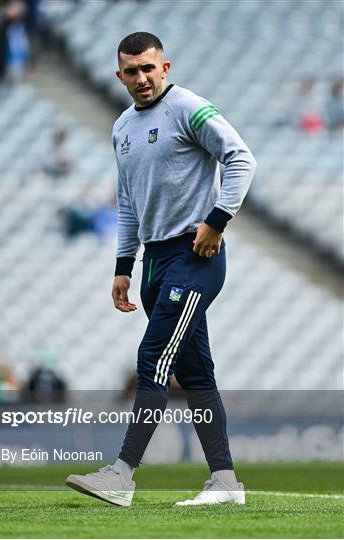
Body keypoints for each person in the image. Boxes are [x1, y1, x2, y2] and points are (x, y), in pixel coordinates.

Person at [66, 32, 256, 507]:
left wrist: (217, 220)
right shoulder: (122, 128)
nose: (142, 78)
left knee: (153, 358)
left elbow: (241, 159)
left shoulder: (190, 107)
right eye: (132, 71)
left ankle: (122, 473)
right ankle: (225, 482)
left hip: (196, 256)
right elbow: (129, 202)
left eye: (149, 68)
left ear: (165, 68)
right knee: (196, 375)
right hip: (154, 264)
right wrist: (123, 266)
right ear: (120, 76)